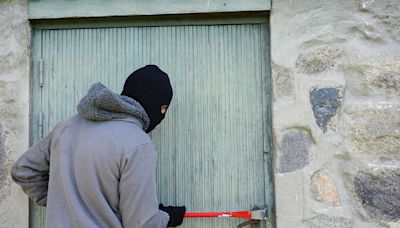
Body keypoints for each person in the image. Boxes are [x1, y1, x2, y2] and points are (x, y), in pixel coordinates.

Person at [11, 65, 186, 227]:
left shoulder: (66, 127)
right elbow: (141, 223)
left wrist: (64, 201)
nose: (162, 115)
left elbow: (23, 171)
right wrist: (168, 216)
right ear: (153, 103)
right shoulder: (138, 143)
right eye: (163, 108)